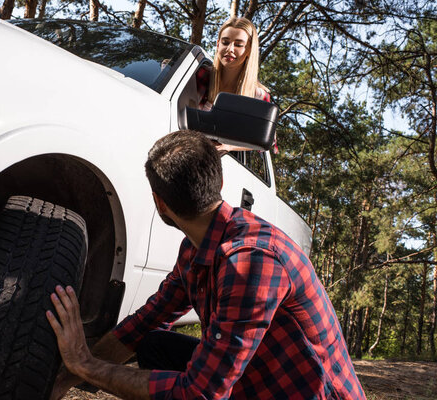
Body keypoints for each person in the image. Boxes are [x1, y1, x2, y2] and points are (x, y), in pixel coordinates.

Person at [46, 130, 366, 400]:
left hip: (302, 393)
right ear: (220, 182)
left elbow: (199, 393)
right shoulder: (196, 249)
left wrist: (87, 364)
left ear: (161, 204)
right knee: (155, 345)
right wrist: (65, 377)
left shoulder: (252, 264)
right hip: (255, 381)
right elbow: (147, 321)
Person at [197, 17, 277, 153]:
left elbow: (265, 141)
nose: (230, 49)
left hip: (215, 164)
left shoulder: (258, 96)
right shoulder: (201, 75)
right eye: (225, 42)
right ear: (218, 44)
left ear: (249, 50)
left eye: (238, 45)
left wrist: (229, 147)